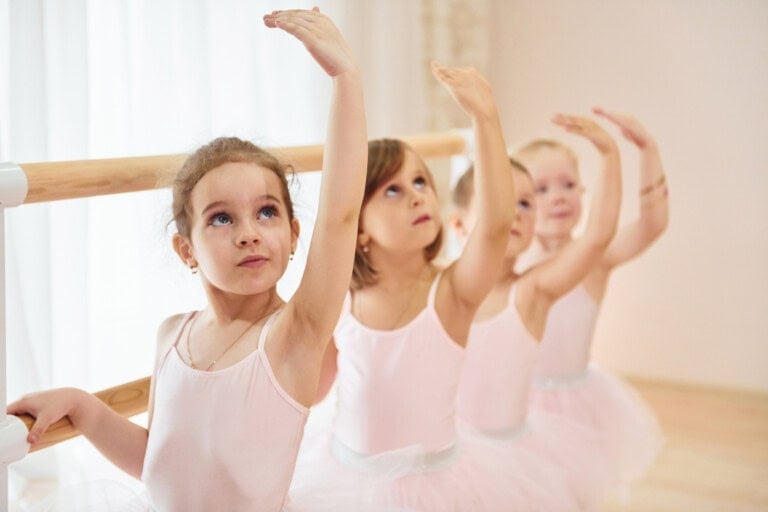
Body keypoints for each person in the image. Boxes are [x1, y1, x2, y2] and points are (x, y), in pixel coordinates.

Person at [7, 8, 367, 512]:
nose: (248, 234)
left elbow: (341, 217)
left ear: (291, 234)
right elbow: (159, 462)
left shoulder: (292, 338)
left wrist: (345, 80)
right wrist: (83, 406)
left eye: (266, 212)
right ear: (186, 249)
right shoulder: (172, 335)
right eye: (222, 219)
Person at [293, 62, 523, 511]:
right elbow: (314, 390)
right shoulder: (344, 300)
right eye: (392, 191)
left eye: (420, 181)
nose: (417, 194)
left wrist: (486, 119)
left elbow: (495, 225)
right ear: (358, 227)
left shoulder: (453, 292)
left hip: (435, 485)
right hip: (347, 479)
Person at [451, 113, 622, 510]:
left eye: (526, 204)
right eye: (503, 203)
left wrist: (609, 153)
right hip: (451, 457)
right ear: (459, 224)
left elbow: (598, 235)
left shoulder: (532, 290)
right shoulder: (441, 289)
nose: (514, 214)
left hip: (511, 458)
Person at [519, 108, 668, 496]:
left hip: (577, 402)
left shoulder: (595, 260)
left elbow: (652, 224)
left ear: (584, 194)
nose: (557, 197)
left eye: (568, 184)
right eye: (540, 189)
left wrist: (647, 149)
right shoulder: (511, 266)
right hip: (518, 400)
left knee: (576, 491)